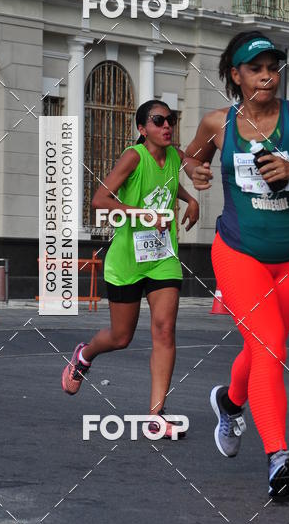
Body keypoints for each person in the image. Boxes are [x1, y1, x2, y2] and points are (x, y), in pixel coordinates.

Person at [182, 30, 289, 495]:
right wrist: (194, 169)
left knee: (260, 350)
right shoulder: (219, 123)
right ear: (236, 75)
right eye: (255, 68)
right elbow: (189, 158)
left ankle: (230, 403)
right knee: (271, 348)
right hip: (237, 251)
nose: (267, 76)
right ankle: (279, 456)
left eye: (272, 67)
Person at [61, 100, 199, 438]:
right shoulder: (133, 157)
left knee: (165, 331)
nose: (167, 125)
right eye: (158, 120)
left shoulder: (175, 156)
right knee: (121, 337)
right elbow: (99, 200)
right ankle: (84, 355)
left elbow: (167, 184)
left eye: (171, 119)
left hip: (163, 256)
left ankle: (157, 415)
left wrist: (190, 199)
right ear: (142, 129)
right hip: (126, 260)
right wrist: (142, 214)